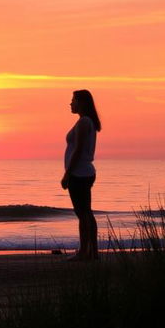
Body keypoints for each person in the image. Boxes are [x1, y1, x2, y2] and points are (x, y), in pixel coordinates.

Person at [61, 89, 101, 260]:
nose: (71, 103)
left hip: (79, 173)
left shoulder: (84, 122)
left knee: (83, 213)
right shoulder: (85, 122)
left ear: (82, 103)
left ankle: (85, 252)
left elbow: (77, 150)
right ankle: (92, 252)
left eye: (73, 100)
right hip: (83, 172)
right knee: (86, 213)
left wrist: (67, 173)